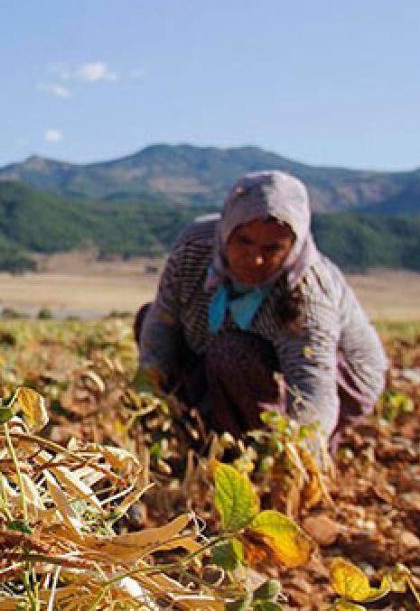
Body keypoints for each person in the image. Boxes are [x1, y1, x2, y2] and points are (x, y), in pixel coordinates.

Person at [135, 171, 387, 450]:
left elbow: (312, 387)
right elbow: (162, 320)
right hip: (240, 356)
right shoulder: (194, 249)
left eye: (273, 248)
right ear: (227, 230)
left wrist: (297, 454)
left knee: (231, 353)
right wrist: (149, 392)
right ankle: (208, 434)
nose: (255, 259)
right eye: (244, 241)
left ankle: (252, 452)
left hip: (339, 377)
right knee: (149, 320)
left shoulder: (306, 294)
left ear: (293, 246)